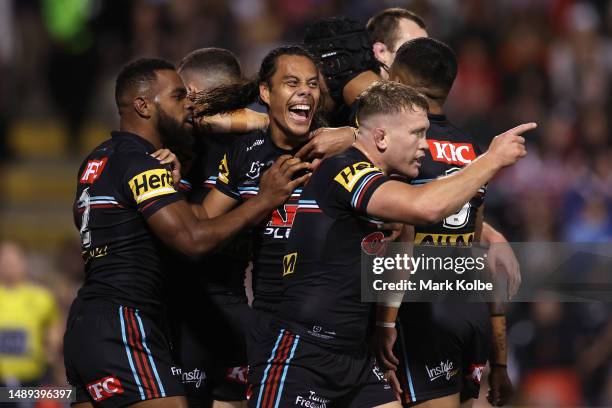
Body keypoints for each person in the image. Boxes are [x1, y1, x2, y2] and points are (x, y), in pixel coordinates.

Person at [248, 81, 535, 407]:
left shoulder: (383, 186)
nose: (425, 146)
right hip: (305, 353)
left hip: (356, 358)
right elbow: (425, 208)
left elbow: (403, 247)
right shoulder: (343, 168)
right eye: (417, 133)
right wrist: (490, 160)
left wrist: (385, 324)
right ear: (382, 137)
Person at [63, 58, 308, 408]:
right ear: (143, 105)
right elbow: (193, 240)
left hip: (87, 323)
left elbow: (97, 220)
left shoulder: (97, 160)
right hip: (127, 320)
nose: (190, 105)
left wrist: (168, 192)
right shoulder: (143, 163)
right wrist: (263, 200)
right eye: (180, 96)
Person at [168, 47, 254, 408]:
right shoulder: (267, 145)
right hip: (236, 310)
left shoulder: (173, 143)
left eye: (178, 91)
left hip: (181, 311)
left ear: (191, 91)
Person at [0, 241, 62, 398]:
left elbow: (55, 325)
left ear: (23, 262)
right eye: (4, 259)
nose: (9, 264)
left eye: (13, 260)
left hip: (31, 379)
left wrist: (52, 349)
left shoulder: (41, 296)